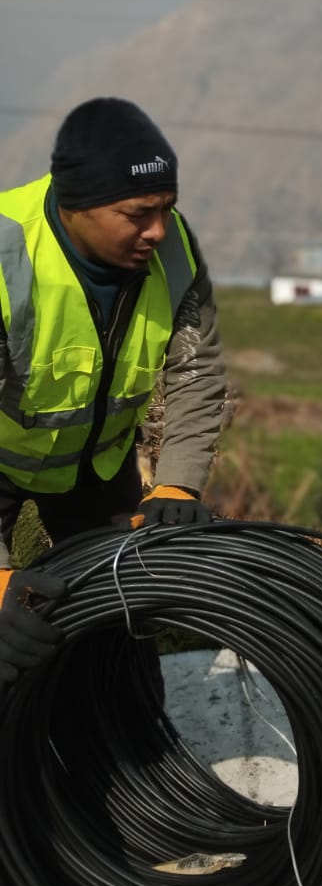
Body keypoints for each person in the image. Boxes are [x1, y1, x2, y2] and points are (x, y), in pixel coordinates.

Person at [0, 97, 227, 687]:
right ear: (77, 206)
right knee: (9, 637)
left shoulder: (172, 248)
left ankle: (132, 748)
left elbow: (195, 370)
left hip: (96, 469)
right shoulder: (5, 259)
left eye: (166, 208)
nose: (159, 229)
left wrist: (177, 478)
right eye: (137, 213)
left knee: (124, 624)